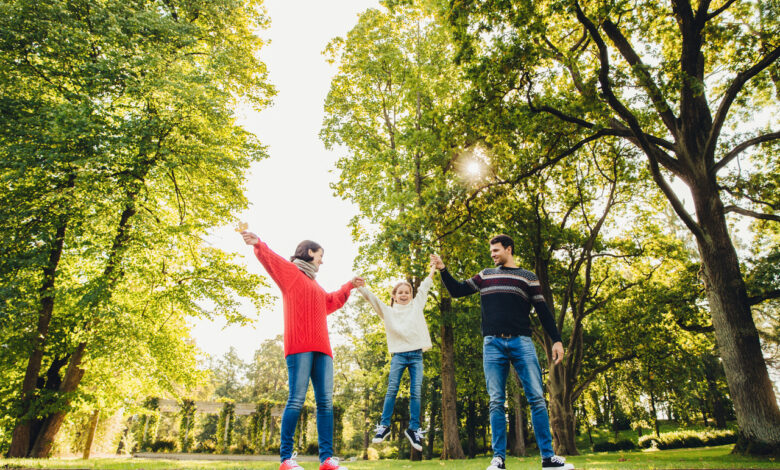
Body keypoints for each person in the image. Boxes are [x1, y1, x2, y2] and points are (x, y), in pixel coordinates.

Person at [431, 234, 574, 470]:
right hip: (492, 345)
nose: (493, 255)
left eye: (496, 250)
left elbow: (543, 311)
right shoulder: (486, 275)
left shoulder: (528, 278)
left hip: (522, 343)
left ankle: (548, 458)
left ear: (509, 249)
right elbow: (457, 291)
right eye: (491, 252)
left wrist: (556, 340)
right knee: (496, 401)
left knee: (537, 399)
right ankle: (498, 459)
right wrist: (443, 269)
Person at [242, 230, 362, 470]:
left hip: (323, 349)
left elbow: (330, 302)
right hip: (300, 346)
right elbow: (272, 261)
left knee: (325, 403)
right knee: (296, 400)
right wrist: (259, 244)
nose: (322, 260)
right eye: (320, 255)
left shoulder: (315, 285)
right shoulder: (291, 274)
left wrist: (349, 285)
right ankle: (286, 459)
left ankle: (326, 460)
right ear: (309, 252)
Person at [358, 263, 437, 452]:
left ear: (411, 295)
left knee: (416, 391)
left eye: (407, 292)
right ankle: (384, 426)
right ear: (394, 296)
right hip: (399, 356)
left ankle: (414, 429)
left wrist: (433, 270)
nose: (404, 295)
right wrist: (360, 287)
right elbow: (373, 299)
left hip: (416, 354)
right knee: (392, 389)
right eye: (400, 292)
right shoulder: (388, 311)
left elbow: (425, 286)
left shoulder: (417, 306)